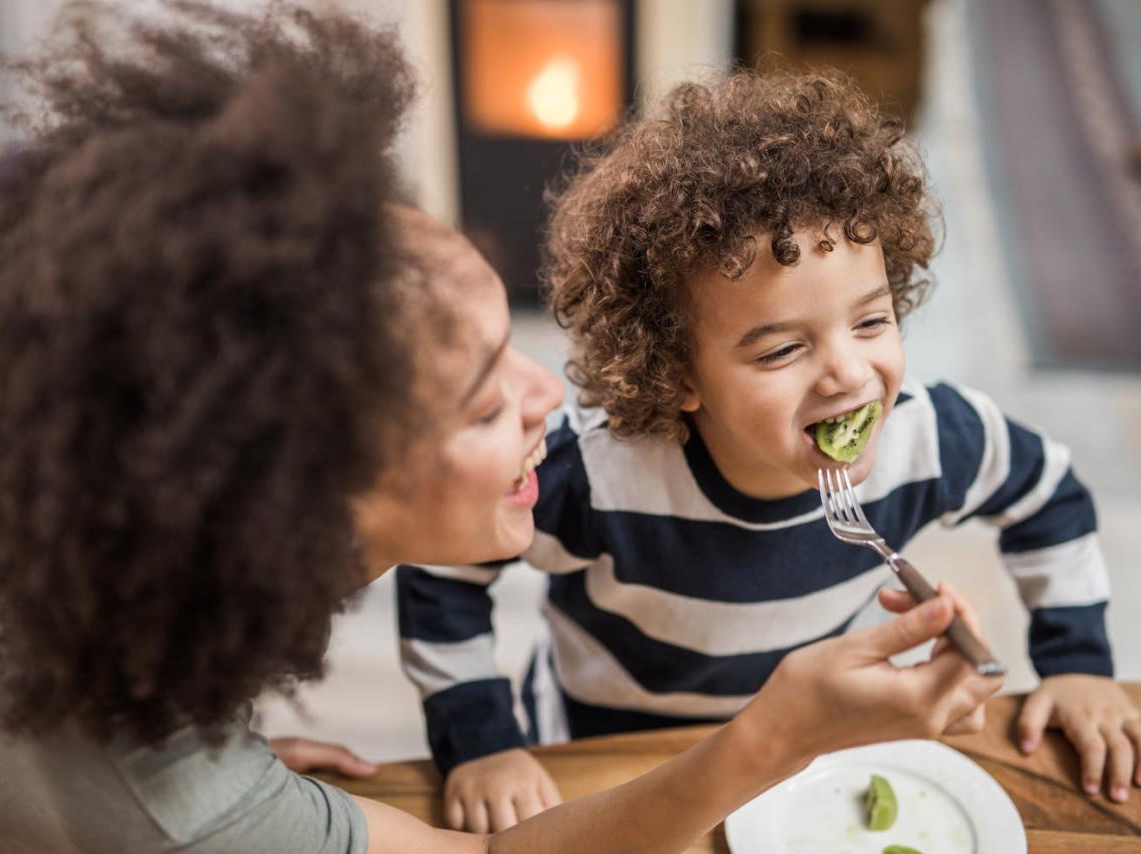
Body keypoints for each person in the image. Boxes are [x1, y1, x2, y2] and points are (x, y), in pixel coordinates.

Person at [0, 5, 1001, 852]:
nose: (546, 395)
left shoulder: (84, 458)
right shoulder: (163, 793)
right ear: (295, 503)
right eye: (482, 401)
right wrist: (772, 736)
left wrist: (247, 764)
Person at [397, 69, 1141, 831]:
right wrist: (480, 738)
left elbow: (1049, 495)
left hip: (810, 758)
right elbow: (443, 565)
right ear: (679, 371)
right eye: (784, 349)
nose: (850, 373)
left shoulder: (930, 440)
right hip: (603, 757)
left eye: (872, 322)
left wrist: (1077, 661)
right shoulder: (598, 475)